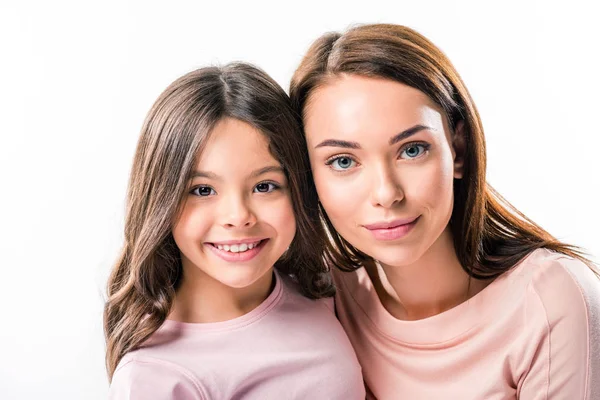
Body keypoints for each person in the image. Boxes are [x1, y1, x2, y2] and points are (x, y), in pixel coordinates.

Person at [290, 23, 600, 399]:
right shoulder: (321, 293)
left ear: (458, 150)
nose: (386, 194)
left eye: (412, 150)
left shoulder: (550, 302)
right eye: (342, 161)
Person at [104, 63, 365, 399]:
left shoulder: (319, 289)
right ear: (161, 202)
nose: (238, 216)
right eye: (202, 190)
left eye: (265, 185)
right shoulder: (154, 378)